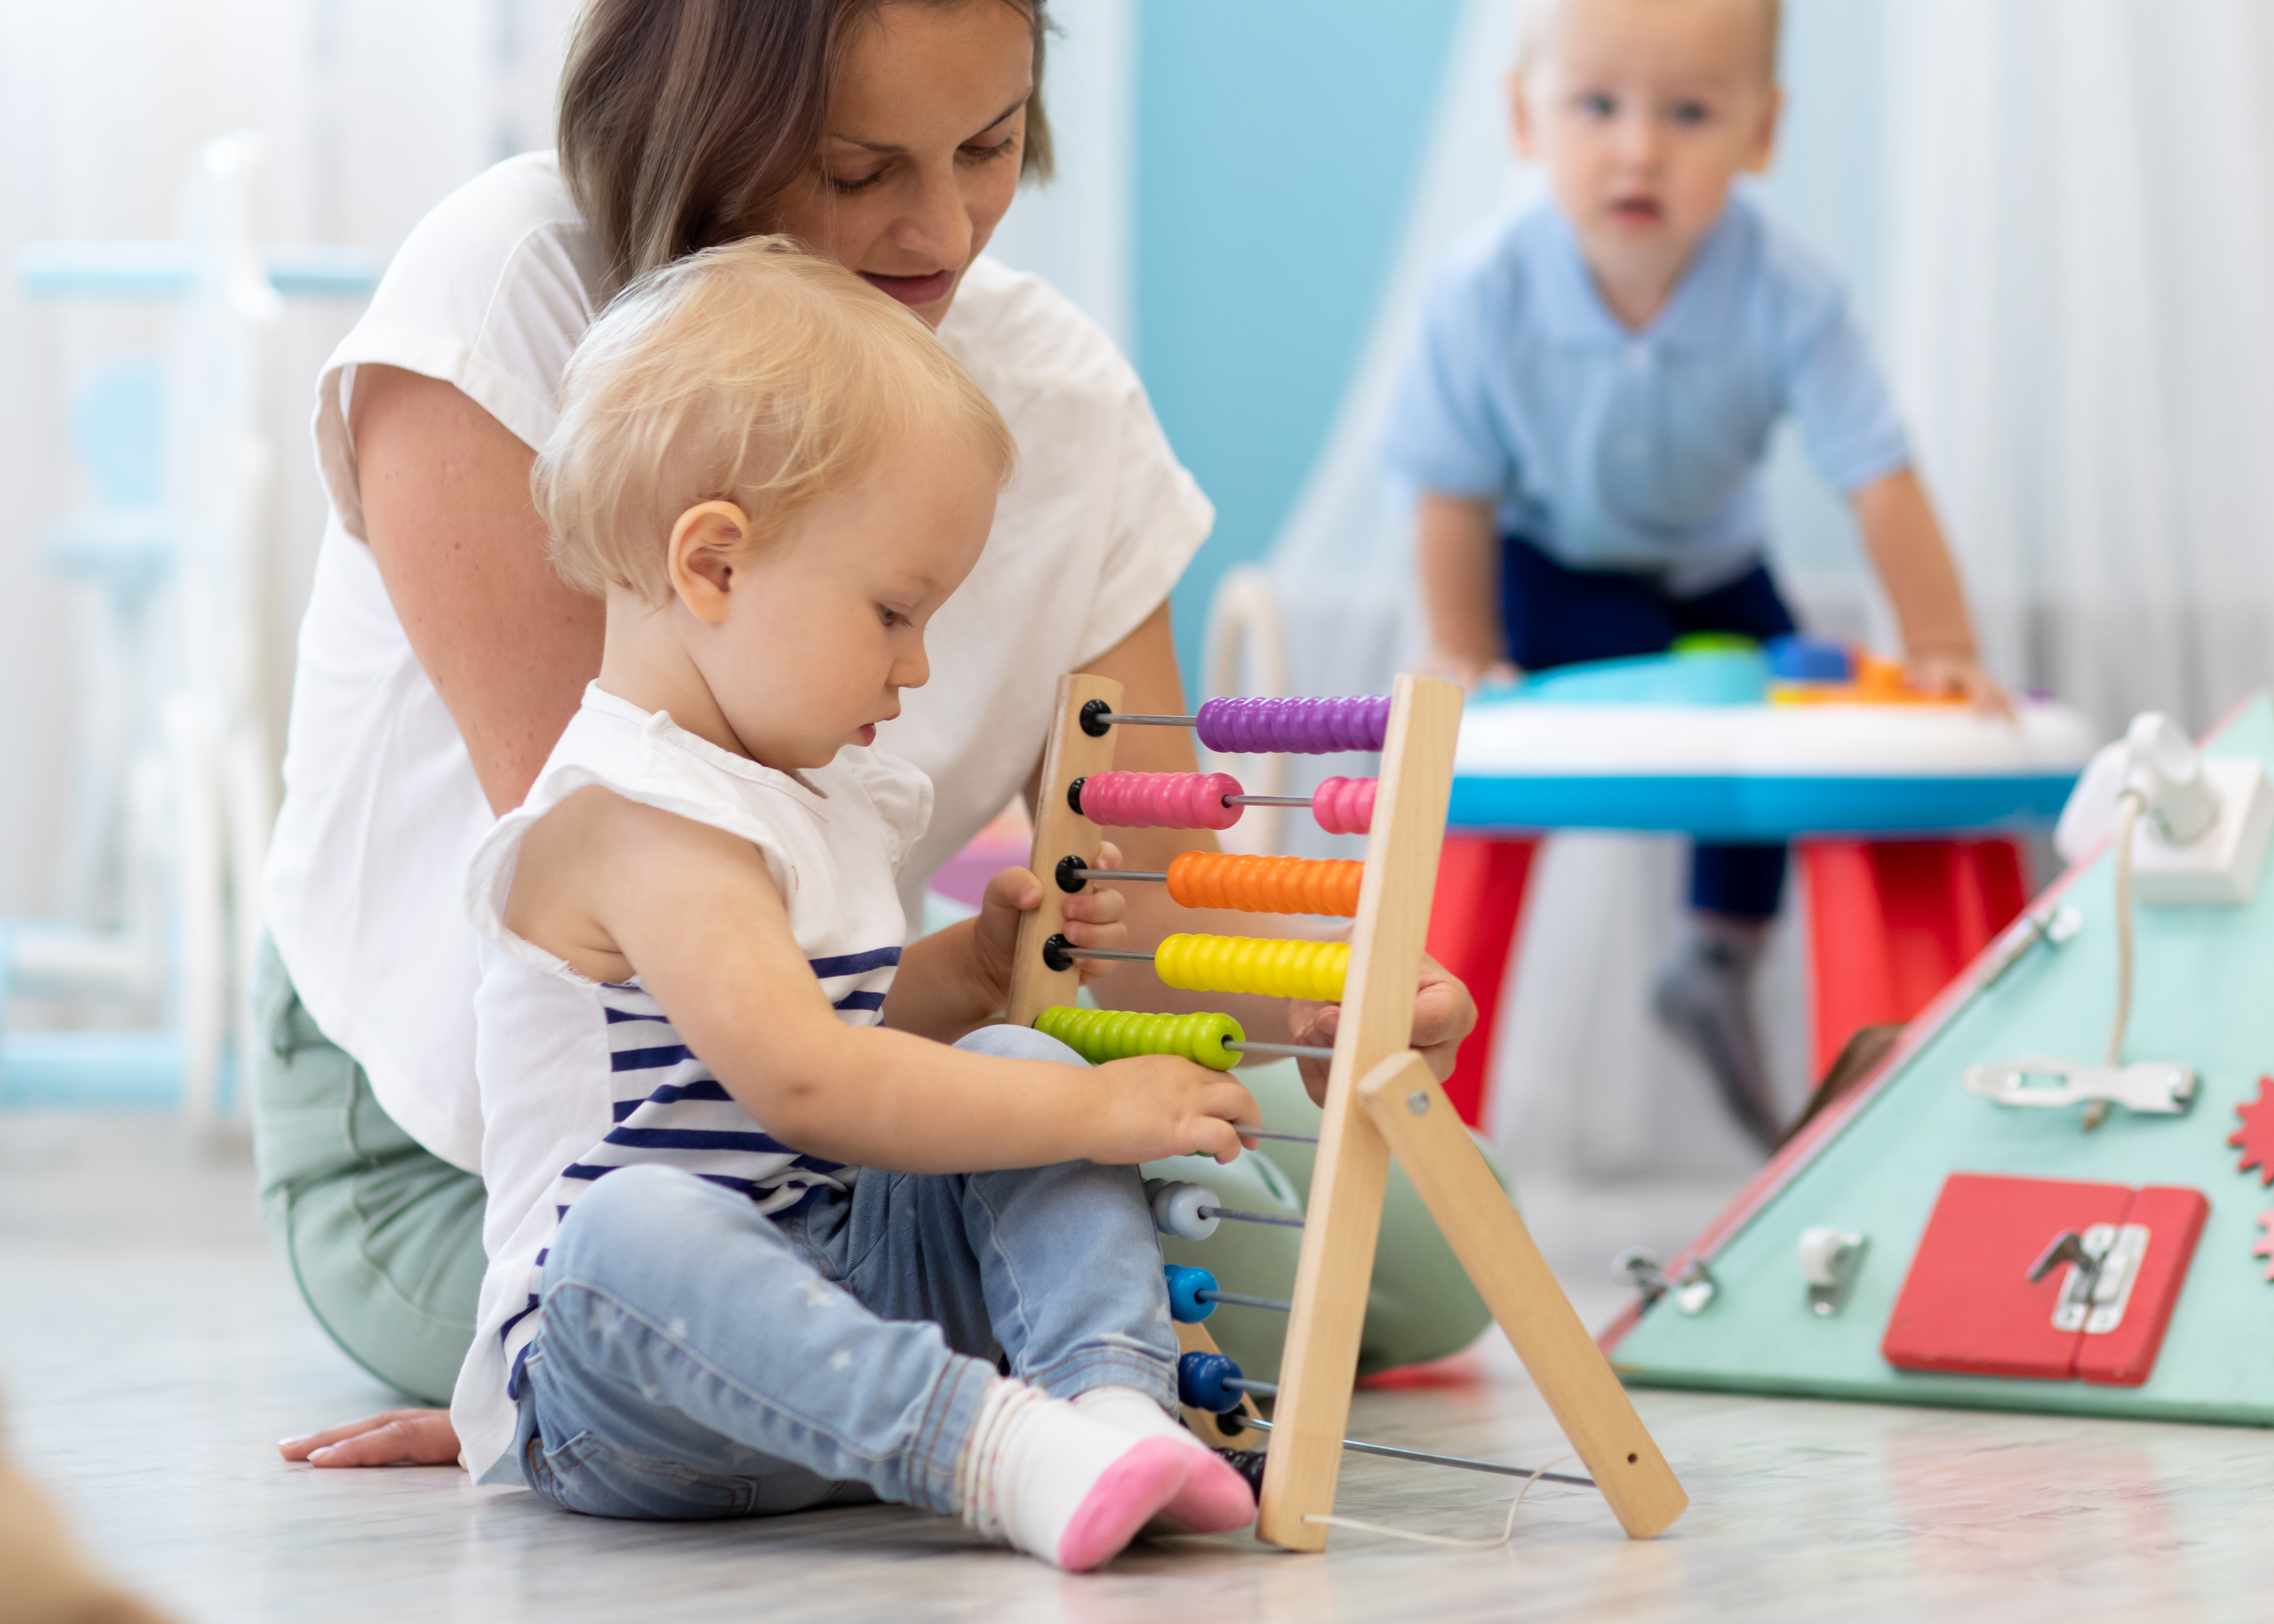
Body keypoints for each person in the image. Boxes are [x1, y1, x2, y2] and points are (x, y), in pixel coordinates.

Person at [263, 0, 1486, 1471]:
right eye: (857, 171)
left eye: (986, 146)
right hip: (511, 1131)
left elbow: (1135, 920)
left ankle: (1043, 1396)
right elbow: (675, 987)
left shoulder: (1055, 397)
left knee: (1419, 1254)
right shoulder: (513, 287)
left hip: (843, 1083)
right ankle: (931, 1411)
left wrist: (1290, 1002)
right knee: (676, 1257)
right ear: (705, 126)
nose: (944, 232)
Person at [455, 235, 1261, 1566]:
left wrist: (976, 968)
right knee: (633, 1227)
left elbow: (855, 1012)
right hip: (630, 1389)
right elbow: (811, 1083)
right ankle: (995, 1451)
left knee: (1011, 1052)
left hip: (822, 1311)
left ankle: (1114, 1407)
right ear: (713, 566)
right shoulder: (633, 819)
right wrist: (1104, 1104)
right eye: (894, 612)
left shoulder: (805, 791)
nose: (920, 664)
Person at [1382, 0, 2002, 1147]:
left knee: (1776, 713)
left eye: (1688, 113)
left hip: (1717, 567)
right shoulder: (1482, 287)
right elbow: (1449, 490)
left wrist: (1945, 647)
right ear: (1526, 117)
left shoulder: (1789, 291)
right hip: (1550, 563)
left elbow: (1879, 475)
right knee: (1558, 719)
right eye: (1597, 106)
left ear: (1759, 135)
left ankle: (1718, 952)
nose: (1638, 148)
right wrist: (1462, 641)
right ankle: (1437, 1033)